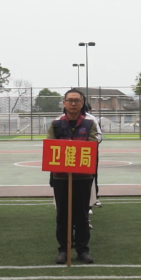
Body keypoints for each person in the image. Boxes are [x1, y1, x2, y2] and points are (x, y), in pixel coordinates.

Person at [47, 88, 100, 264]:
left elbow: (92, 144)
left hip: (83, 177)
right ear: (64, 103)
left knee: (82, 215)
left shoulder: (89, 124)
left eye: (77, 100)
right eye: (70, 100)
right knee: (63, 215)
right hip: (61, 177)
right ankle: (63, 249)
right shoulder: (55, 124)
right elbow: (50, 145)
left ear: (82, 103)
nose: (73, 103)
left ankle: (82, 250)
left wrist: (72, 149)